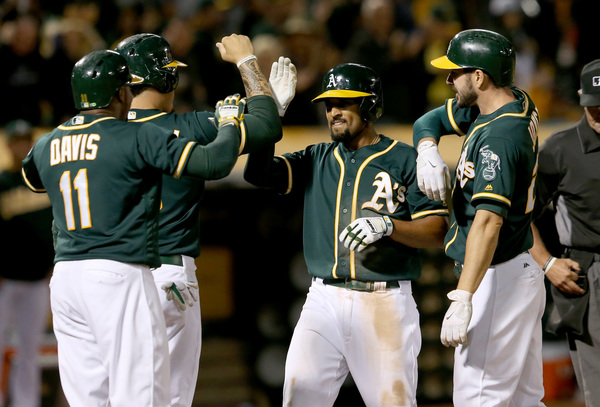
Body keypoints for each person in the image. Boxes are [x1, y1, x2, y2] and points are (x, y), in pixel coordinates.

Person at [20, 49, 252, 407]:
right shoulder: (134, 135)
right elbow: (214, 163)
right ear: (120, 93)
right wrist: (230, 124)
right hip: (117, 273)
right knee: (142, 395)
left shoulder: (47, 142)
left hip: (65, 279)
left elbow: (33, 180)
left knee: (88, 400)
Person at [244, 62, 449, 407]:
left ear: (370, 105)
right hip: (322, 298)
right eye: (329, 104)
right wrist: (270, 115)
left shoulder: (404, 158)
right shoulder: (316, 156)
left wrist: (388, 225)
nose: (334, 112)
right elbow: (257, 172)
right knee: (299, 396)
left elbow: (437, 230)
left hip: (384, 299)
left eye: (344, 103)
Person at [113, 32, 288, 407]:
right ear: (167, 78)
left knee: (118, 393)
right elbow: (266, 125)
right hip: (167, 273)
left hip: (111, 278)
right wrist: (248, 65)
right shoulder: (190, 127)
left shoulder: (101, 134)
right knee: (171, 398)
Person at [412, 29, 545, 406]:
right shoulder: (512, 99)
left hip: (496, 277)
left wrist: (464, 296)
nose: (448, 80)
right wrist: (427, 148)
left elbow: (488, 223)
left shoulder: (500, 138)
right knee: (523, 401)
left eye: (455, 72)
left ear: (479, 76)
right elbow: (428, 121)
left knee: (478, 399)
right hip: (517, 271)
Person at [530, 58, 600, 407]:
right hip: (590, 273)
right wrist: (547, 263)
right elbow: (518, 216)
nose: (599, 113)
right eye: (594, 105)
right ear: (581, 97)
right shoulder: (561, 148)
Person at [0, 120, 53, 407]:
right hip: (6, 281)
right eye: (16, 140)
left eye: (25, 140)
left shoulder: (43, 181)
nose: (21, 145)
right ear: (9, 145)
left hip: (37, 280)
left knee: (29, 349)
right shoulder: (2, 183)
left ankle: (26, 403)